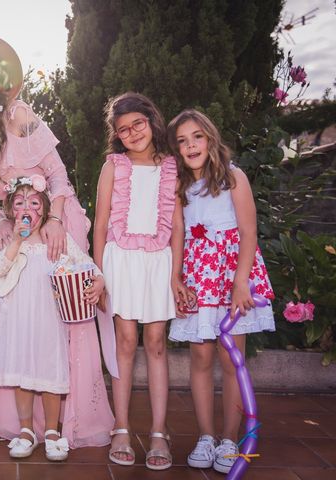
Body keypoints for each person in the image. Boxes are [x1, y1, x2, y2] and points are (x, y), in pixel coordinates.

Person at [0, 33, 114, 448]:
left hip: (50, 219)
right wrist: (0, 219)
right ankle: (16, 424)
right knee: (8, 322)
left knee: (62, 321)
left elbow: (57, 174)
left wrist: (53, 218)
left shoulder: (19, 116)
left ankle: (63, 426)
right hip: (8, 230)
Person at [167, 109, 275, 474]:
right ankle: (206, 436)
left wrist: (241, 280)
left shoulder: (233, 178)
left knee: (232, 361)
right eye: (182, 141)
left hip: (230, 276)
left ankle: (230, 438)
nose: (190, 145)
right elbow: (178, 233)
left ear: (210, 138)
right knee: (199, 359)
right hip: (199, 277)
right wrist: (176, 277)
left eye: (196, 136)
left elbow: (248, 232)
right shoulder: (180, 186)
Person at [0, 176, 106, 461]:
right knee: (22, 374)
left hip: (49, 321)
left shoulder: (56, 240)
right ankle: (26, 431)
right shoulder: (9, 241)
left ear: (45, 209)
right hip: (16, 319)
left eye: (34, 202)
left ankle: (52, 431)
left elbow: (85, 264)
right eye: (19, 203)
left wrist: (99, 280)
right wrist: (16, 240)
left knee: (51, 372)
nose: (27, 208)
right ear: (12, 211)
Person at [93, 92, 178, 470]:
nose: (132, 133)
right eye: (123, 130)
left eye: (137, 124)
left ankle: (159, 431)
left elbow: (177, 225)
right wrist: (98, 274)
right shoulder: (114, 166)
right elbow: (99, 224)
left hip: (158, 261)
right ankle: (122, 427)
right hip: (121, 261)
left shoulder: (171, 166)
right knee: (126, 341)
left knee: (156, 342)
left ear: (151, 120)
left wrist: (175, 275)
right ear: (117, 135)